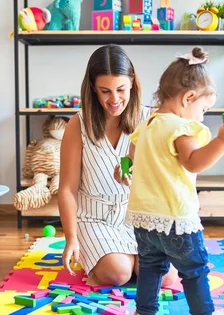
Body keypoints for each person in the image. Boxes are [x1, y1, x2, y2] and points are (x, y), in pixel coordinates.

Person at [115, 47, 224, 315]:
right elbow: (193, 162)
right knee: (194, 268)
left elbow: (131, 154)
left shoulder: (147, 126)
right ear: (188, 98)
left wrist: (124, 167)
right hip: (175, 218)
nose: (202, 115)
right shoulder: (181, 127)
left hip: (144, 219)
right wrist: (221, 141)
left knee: (150, 268)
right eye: (204, 109)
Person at [58, 44, 179, 287]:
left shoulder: (150, 119)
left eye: (121, 89)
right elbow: (67, 189)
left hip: (138, 214)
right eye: (105, 91)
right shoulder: (77, 125)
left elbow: (166, 176)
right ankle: (120, 261)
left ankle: (133, 259)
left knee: (166, 277)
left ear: (132, 83)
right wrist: (71, 238)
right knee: (118, 273)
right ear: (93, 88)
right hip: (94, 218)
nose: (114, 99)